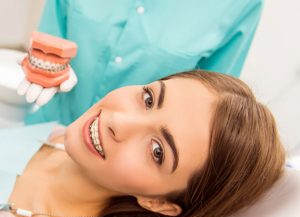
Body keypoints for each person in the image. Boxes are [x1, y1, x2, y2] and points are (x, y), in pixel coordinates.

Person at [0, 69, 285, 217]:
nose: (120, 121)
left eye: (157, 151)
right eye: (149, 99)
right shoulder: (62, 139)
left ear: (158, 202)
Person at [19, 0, 264, 126]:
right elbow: (48, 42)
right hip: (45, 129)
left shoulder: (238, 5)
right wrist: (41, 67)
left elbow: (212, 110)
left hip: (120, 177)